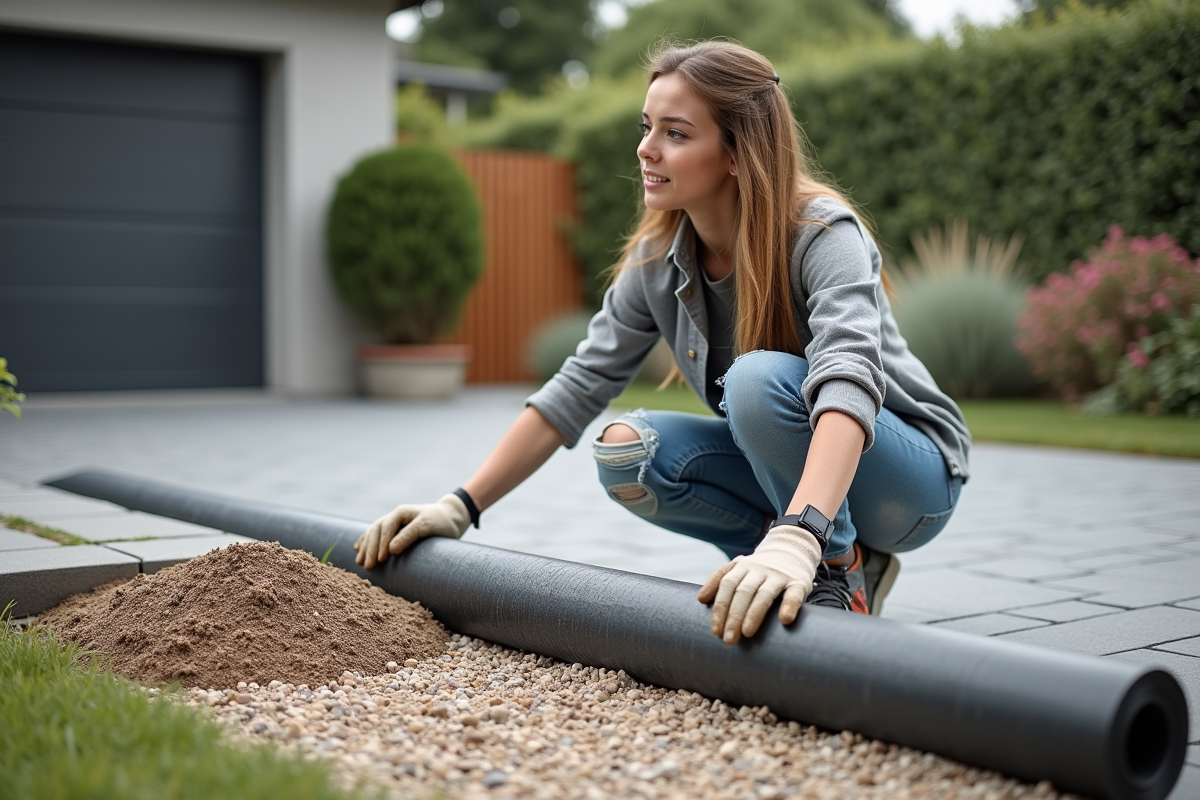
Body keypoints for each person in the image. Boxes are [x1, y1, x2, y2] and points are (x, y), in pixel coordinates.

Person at [355, 41, 970, 646]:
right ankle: (822, 560)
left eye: (676, 133)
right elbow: (577, 387)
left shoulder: (821, 233)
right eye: (647, 127)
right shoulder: (658, 260)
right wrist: (459, 506)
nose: (646, 149)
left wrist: (802, 536)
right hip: (812, 486)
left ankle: (831, 571)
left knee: (755, 381)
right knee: (628, 452)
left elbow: (848, 379)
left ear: (737, 152)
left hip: (908, 483)